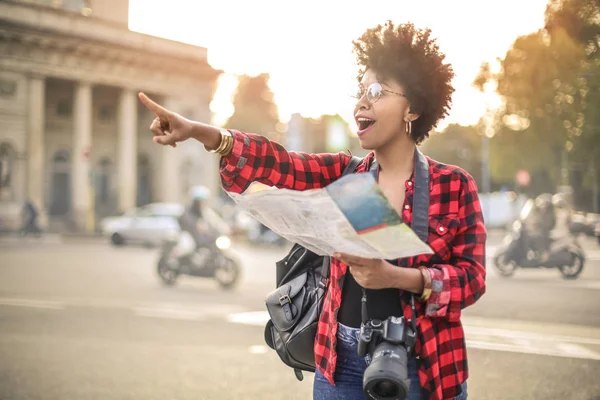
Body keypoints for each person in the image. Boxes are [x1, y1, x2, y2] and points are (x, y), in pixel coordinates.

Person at [139, 21, 486, 400]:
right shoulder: (346, 175)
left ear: (414, 109)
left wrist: (399, 277)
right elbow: (275, 164)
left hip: (425, 364)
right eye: (360, 91)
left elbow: (472, 279)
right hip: (341, 364)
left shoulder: (453, 185)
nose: (361, 103)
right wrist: (202, 133)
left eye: (377, 91)